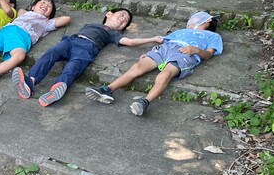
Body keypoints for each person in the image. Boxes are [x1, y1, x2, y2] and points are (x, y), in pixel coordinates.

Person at [12, 8, 163, 107]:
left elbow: (130, 42)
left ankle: (55, 90)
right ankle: (30, 81)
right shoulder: (90, 24)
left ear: (123, 28)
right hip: (70, 41)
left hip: (87, 48)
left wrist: (152, 39)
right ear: (109, 14)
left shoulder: (113, 34)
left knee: (73, 68)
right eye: (122, 14)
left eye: (126, 20)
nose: (123, 18)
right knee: (50, 54)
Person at [85, 11, 223, 116]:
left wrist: (196, 50)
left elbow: (208, 54)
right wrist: (149, 52)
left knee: (165, 75)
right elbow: (164, 41)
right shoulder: (181, 31)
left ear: (208, 21)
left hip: (186, 53)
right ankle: (107, 90)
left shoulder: (213, 36)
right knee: (138, 67)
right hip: (165, 49)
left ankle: (145, 102)